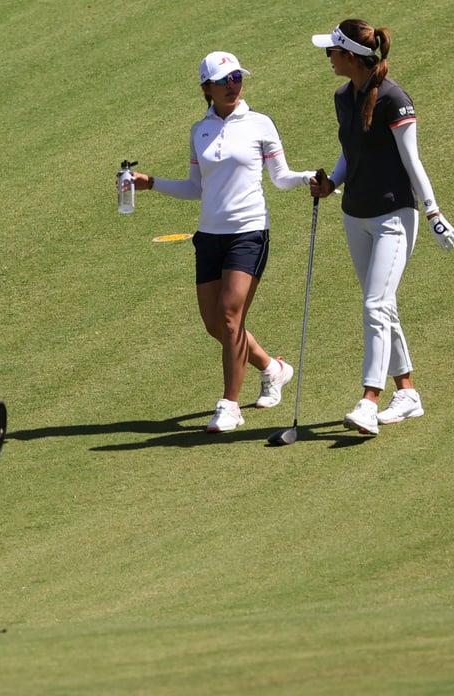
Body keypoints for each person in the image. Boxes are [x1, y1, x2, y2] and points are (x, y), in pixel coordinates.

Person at [127, 51, 314, 432]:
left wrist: (309, 177)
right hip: (209, 237)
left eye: (237, 78)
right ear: (207, 88)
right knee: (215, 325)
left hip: (248, 233)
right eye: (224, 81)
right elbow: (197, 188)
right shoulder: (201, 131)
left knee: (230, 318)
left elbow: (279, 177)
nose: (233, 86)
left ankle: (230, 405)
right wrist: (153, 184)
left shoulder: (261, 124)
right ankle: (272, 368)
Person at [309, 20, 454, 435]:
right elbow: (349, 152)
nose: (328, 58)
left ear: (350, 57)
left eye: (332, 52)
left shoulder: (394, 99)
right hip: (354, 216)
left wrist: (432, 212)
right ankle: (407, 392)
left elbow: (413, 161)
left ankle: (368, 400)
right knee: (383, 306)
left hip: (395, 218)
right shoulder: (343, 96)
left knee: (375, 306)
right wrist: (331, 184)